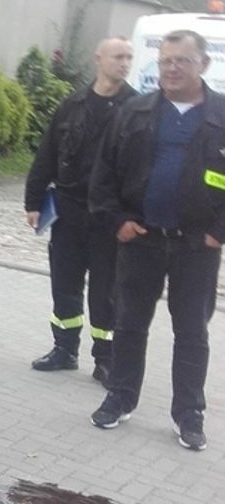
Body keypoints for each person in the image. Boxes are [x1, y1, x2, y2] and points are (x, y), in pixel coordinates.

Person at [89, 29, 224, 452]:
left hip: (195, 247)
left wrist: (219, 232)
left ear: (203, 64)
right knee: (129, 323)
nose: (172, 67)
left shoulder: (221, 115)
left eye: (182, 60)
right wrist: (119, 221)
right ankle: (120, 398)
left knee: (191, 333)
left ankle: (189, 415)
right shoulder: (136, 110)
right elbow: (105, 172)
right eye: (166, 60)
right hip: (141, 238)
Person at [24, 38, 137, 386]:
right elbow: (47, 153)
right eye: (118, 56)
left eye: (129, 58)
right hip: (69, 211)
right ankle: (64, 349)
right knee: (64, 283)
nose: (125, 63)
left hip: (109, 217)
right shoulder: (72, 104)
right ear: (98, 58)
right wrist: (33, 201)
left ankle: (105, 359)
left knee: (106, 291)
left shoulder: (136, 108)